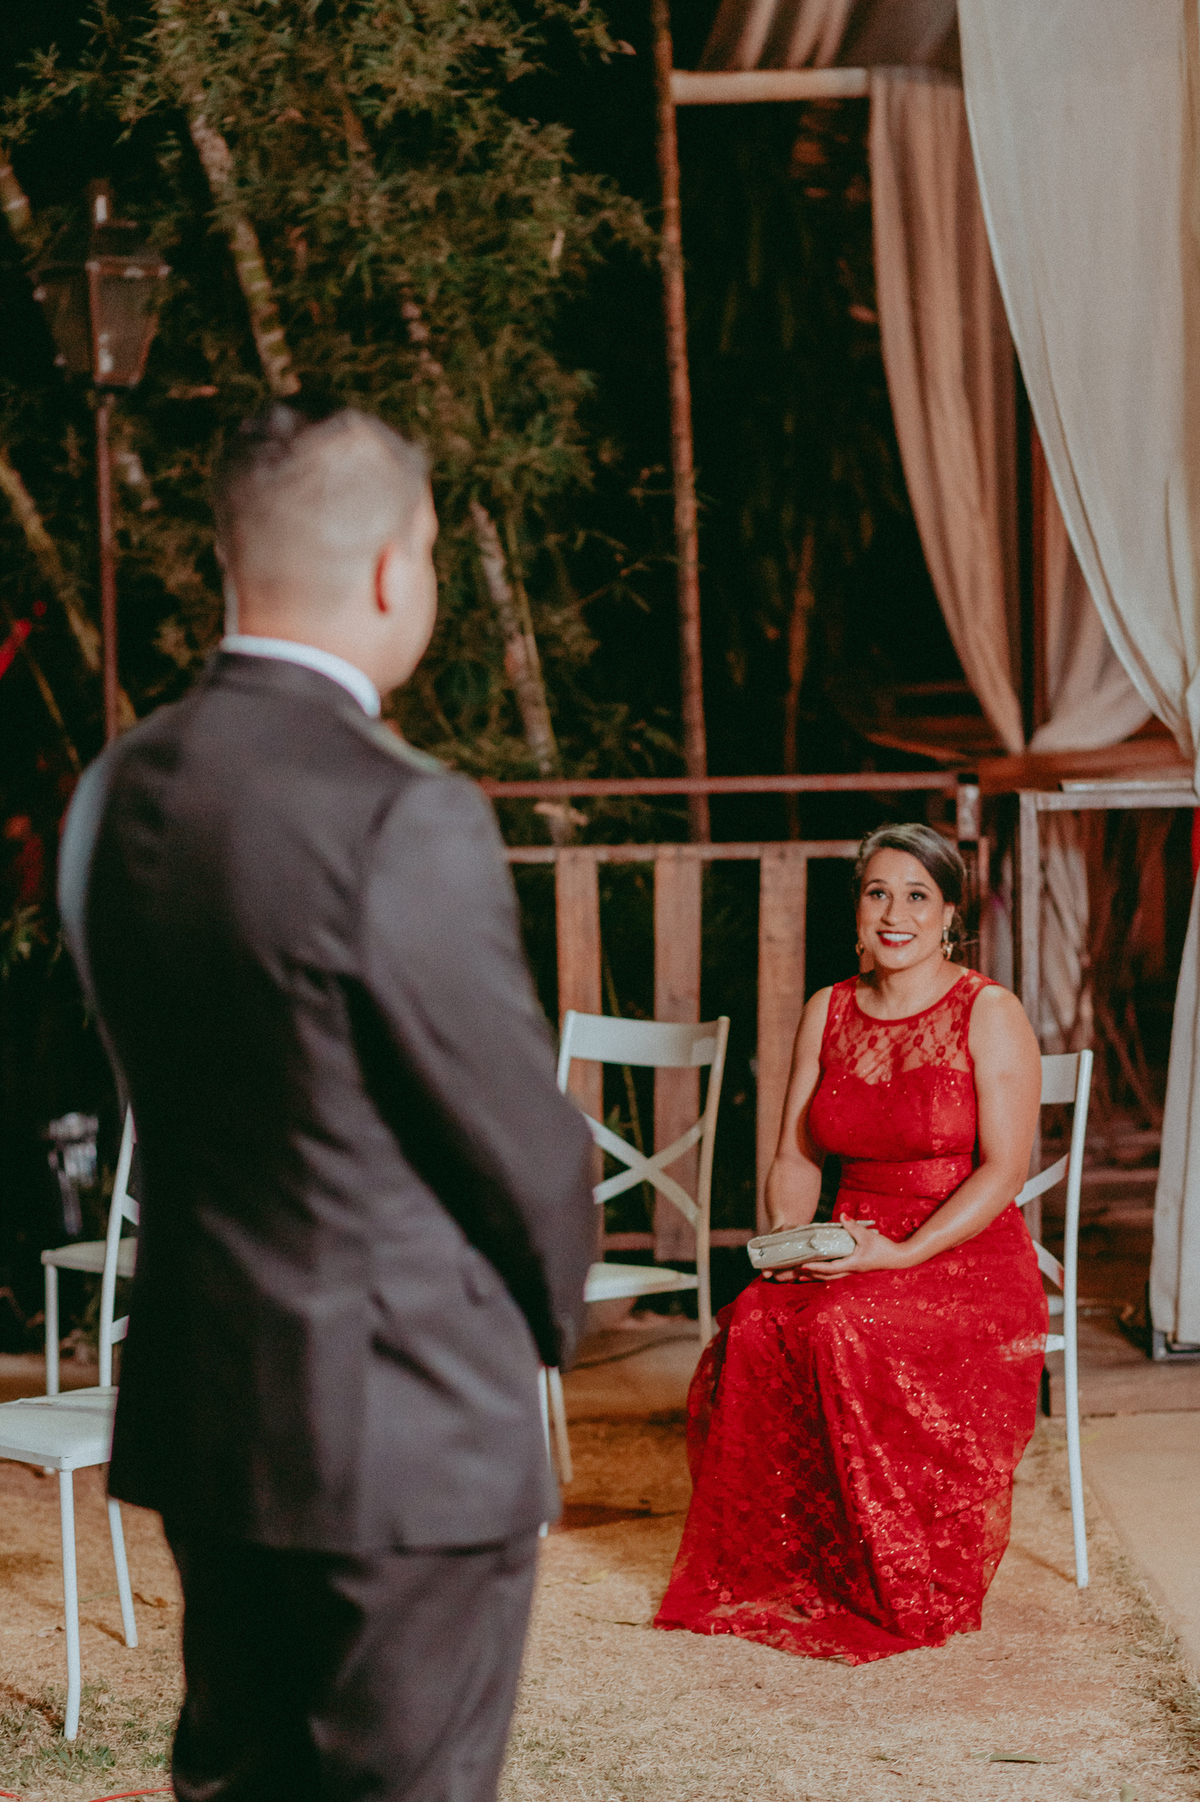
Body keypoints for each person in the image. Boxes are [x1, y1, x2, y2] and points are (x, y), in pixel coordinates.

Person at [58, 406, 596, 1801]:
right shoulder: (401, 811)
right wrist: (542, 1335)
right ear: (391, 570)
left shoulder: (117, 790)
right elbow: (525, 1147)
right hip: (409, 1437)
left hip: (209, 1406)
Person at [654, 823, 1046, 1664]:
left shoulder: (989, 1010)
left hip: (961, 1252)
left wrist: (900, 1254)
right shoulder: (827, 1009)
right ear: (858, 910)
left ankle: (888, 1572)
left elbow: (1004, 1170)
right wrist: (793, 1244)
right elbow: (797, 1155)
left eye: (917, 896)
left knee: (842, 1327)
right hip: (850, 1238)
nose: (895, 914)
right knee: (755, 1321)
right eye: (878, 893)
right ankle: (795, 1566)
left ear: (950, 914)